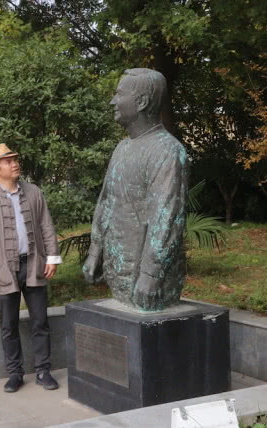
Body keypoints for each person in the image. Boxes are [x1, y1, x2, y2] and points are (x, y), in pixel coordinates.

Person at [82, 68, 189, 311]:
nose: (113, 101)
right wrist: (95, 251)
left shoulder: (167, 151)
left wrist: (151, 274)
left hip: (146, 280)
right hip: (118, 271)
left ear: (141, 102)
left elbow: (167, 217)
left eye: (120, 94)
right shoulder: (122, 148)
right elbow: (106, 201)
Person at [0, 143, 62, 393]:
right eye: (8, 161)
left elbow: (46, 225)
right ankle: (14, 373)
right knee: (8, 325)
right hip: (2, 270)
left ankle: (43, 371)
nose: (15, 164)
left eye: (15, 160)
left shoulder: (33, 192)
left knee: (40, 321)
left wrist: (52, 257)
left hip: (34, 265)